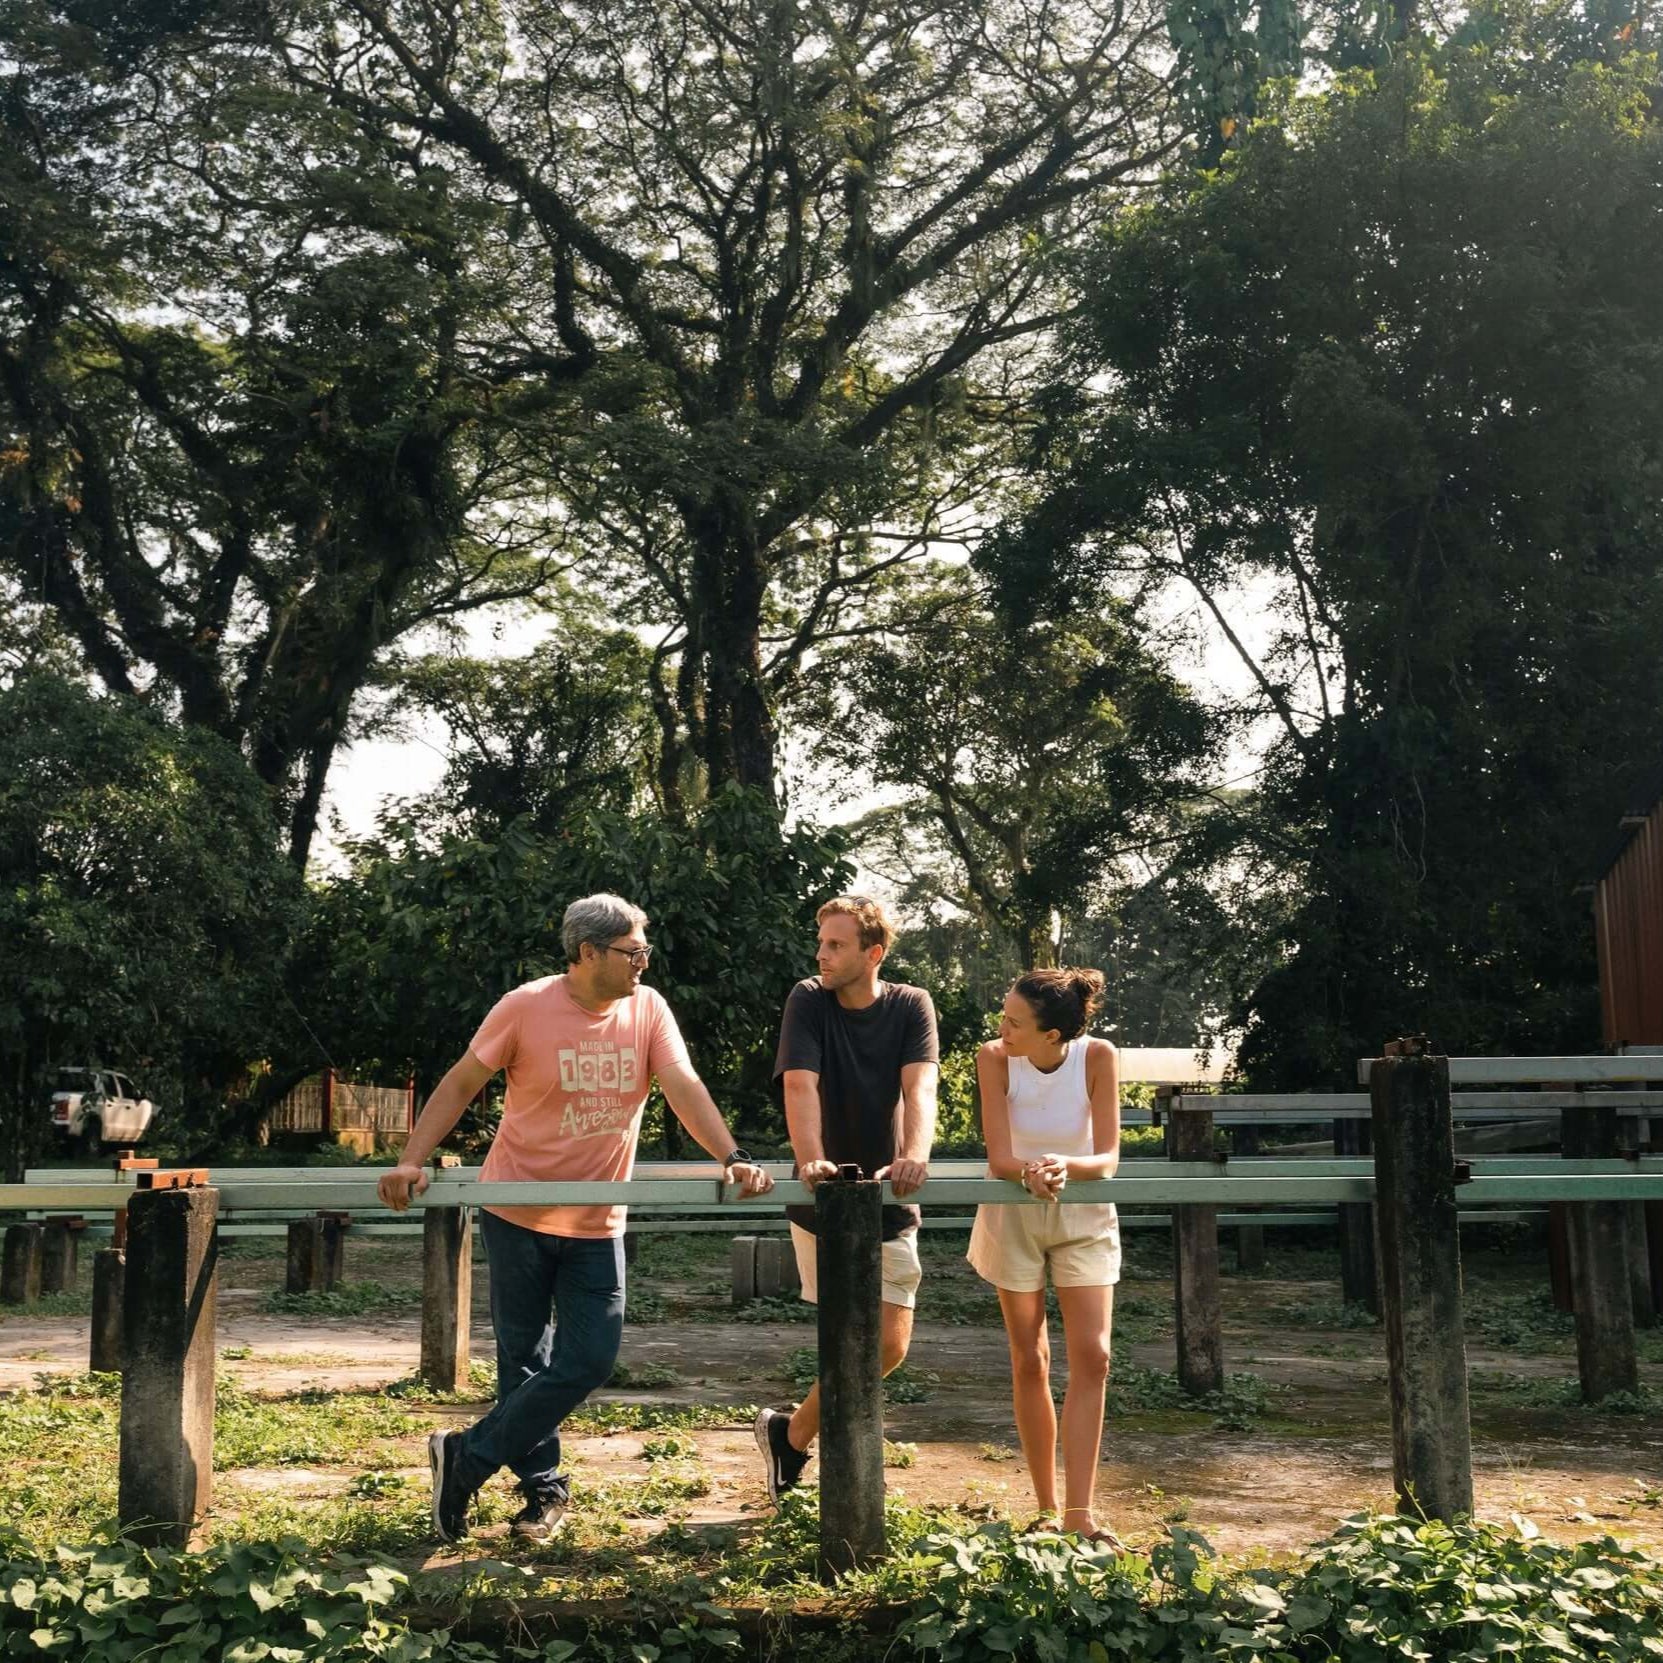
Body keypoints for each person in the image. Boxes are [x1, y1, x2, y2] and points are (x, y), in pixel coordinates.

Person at [378, 892, 773, 1544]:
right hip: (518, 1212)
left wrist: (730, 1154)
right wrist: (410, 1159)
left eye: (645, 949)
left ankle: (467, 1458)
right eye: (633, 950)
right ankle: (543, 1494)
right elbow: (459, 1082)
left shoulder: (647, 1009)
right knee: (522, 1362)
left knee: (590, 1357)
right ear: (588, 952)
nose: (644, 961)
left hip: (596, 1219)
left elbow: (682, 1085)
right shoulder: (526, 1005)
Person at [754, 894, 938, 1503]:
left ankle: (790, 1434)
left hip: (889, 1194)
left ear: (873, 954)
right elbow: (800, 1085)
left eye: (836, 945)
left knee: (889, 1343)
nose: (821, 954)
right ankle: (844, 1485)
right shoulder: (808, 997)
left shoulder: (912, 1004)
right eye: (822, 941)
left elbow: (921, 1086)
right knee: (845, 1336)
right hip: (823, 1197)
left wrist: (915, 1153)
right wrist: (810, 1158)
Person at [966, 967, 1124, 1545]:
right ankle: (1047, 1508)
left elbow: (1107, 1156)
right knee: (1029, 1357)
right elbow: (1000, 1154)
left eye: (1014, 1021)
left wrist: (1061, 1166)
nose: (1001, 1026)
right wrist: (1031, 1173)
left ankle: (1081, 1514)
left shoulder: (1099, 1057)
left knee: (1094, 1356)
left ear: (1053, 1035)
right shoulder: (992, 1058)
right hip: (1013, 1211)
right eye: (1004, 1014)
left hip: (1083, 1212)